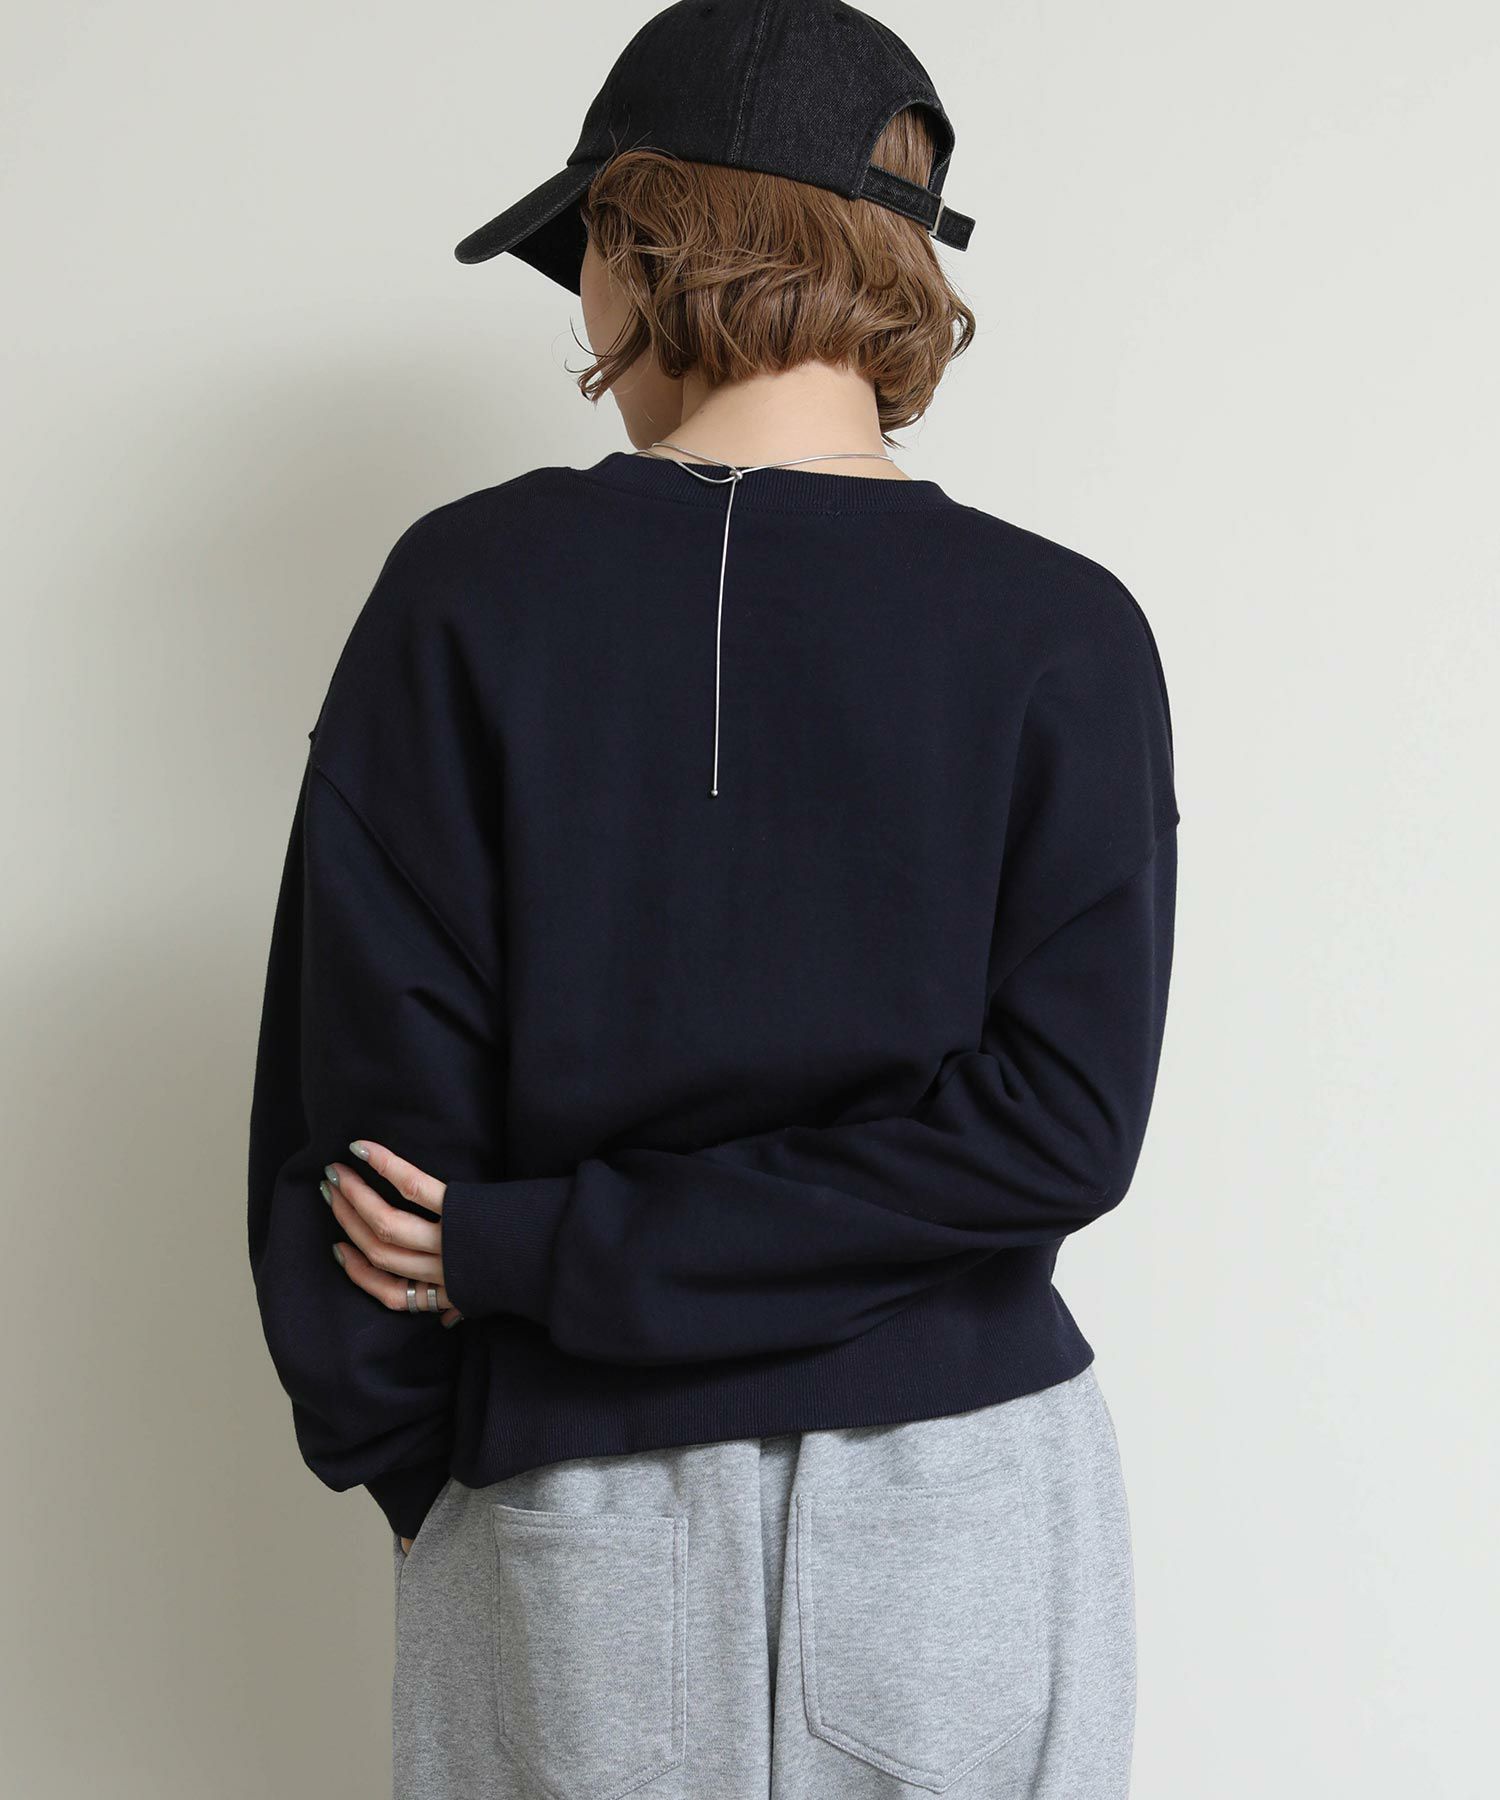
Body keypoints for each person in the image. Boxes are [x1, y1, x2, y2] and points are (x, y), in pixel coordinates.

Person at [246, 2, 1178, 1795]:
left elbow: (366, 1135)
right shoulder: (1067, 630)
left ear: (634, 245)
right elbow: (1058, 1133)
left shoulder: (465, 594)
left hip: (574, 1483)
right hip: (968, 1485)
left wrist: (464, 1388)